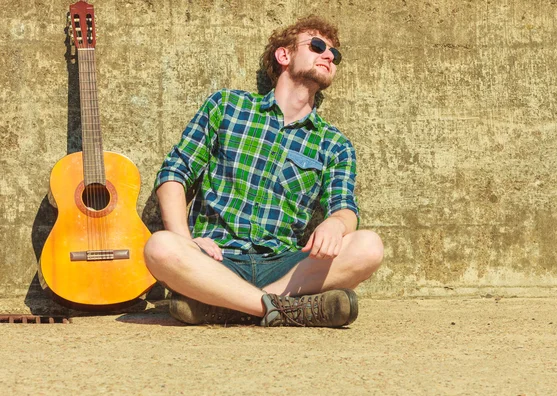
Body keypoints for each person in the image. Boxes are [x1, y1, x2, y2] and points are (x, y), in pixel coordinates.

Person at [144, 15, 384, 327]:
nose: (329, 55)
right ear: (284, 55)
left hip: (284, 265)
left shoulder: (334, 143)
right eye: (317, 46)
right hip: (216, 260)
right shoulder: (227, 107)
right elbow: (175, 172)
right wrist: (186, 241)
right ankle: (287, 310)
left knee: (369, 246)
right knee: (160, 247)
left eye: (334, 54)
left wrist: (336, 226)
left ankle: (226, 305)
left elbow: (344, 208)